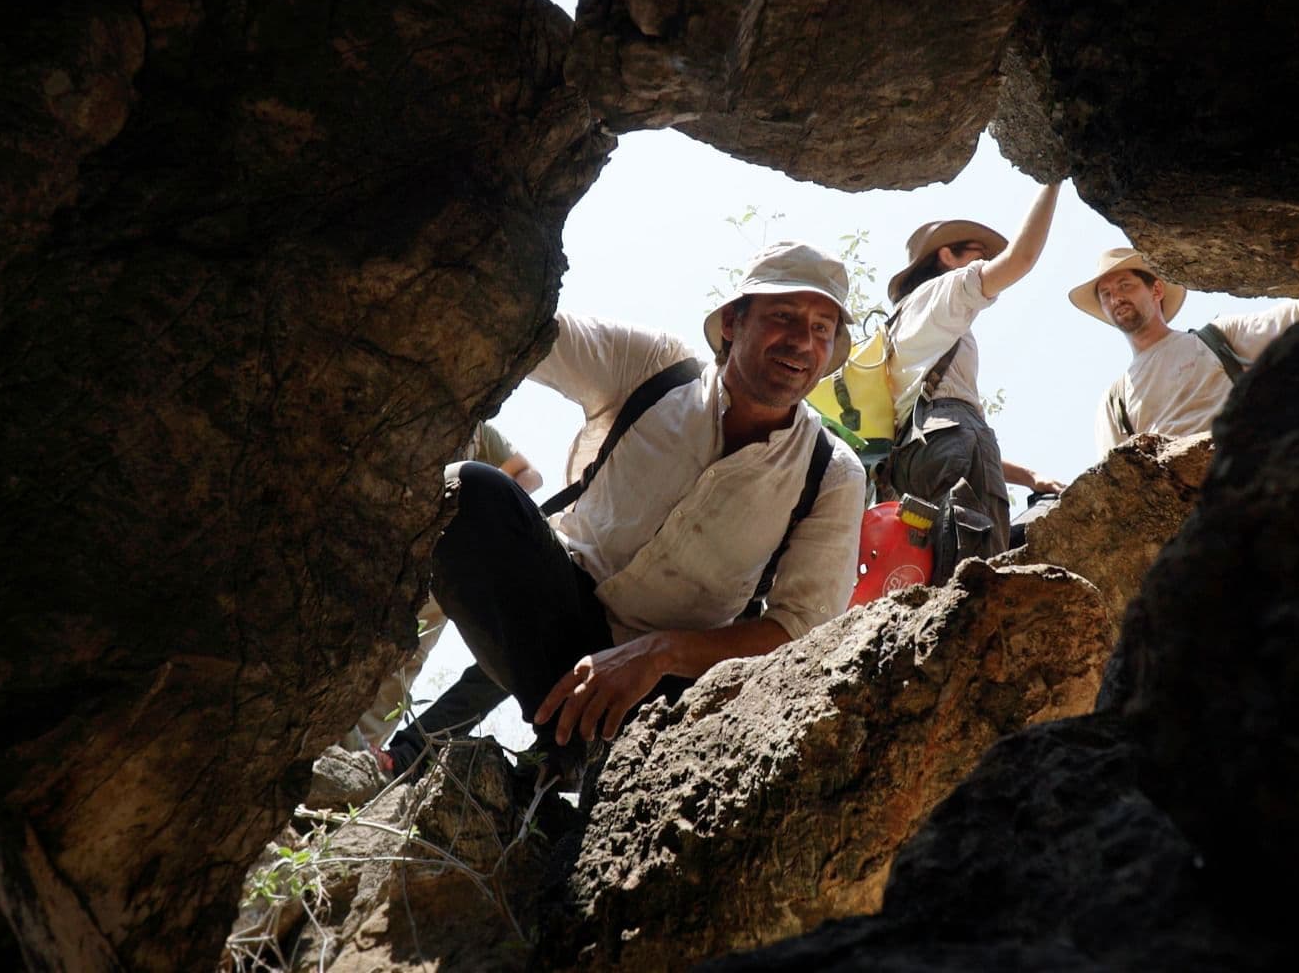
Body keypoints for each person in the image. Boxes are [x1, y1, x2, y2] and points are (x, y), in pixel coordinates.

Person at [385, 241, 866, 781]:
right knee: (468, 493)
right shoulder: (654, 369)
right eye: (784, 317)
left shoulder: (833, 473)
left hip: (661, 690)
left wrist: (657, 654)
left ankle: (553, 772)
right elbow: (524, 330)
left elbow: (797, 629)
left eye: (823, 328)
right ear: (733, 322)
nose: (802, 341)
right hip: (549, 614)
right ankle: (544, 761)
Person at [879, 182, 1063, 562]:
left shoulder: (898, 326)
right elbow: (1021, 259)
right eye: (978, 254)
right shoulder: (942, 293)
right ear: (947, 255)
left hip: (909, 460)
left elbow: (940, 431)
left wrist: (1029, 477)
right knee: (975, 575)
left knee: (935, 572)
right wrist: (1052, 178)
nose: (984, 262)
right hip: (948, 439)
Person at [354, 422, 538, 764]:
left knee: (407, 657)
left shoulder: (480, 431)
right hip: (394, 551)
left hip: (446, 563)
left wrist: (486, 513)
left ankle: (361, 760)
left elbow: (528, 474)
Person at [1070, 246, 1299, 449]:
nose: (1116, 298)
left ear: (1156, 289)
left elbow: (1298, 313)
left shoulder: (1216, 338)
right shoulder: (1115, 400)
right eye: (1105, 294)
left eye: (1125, 285)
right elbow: (1112, 482)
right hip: (1188, 507)